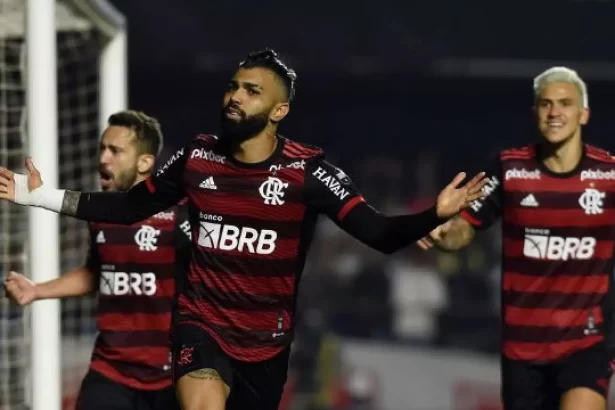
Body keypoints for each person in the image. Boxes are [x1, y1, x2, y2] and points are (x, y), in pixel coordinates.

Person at [0, 49, 487, 410]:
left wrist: (435, 215)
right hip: (201, 325)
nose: (235, 96)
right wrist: (38, 196)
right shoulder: (197, 156)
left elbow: (379, 234)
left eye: (252, 91)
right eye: (233, 86)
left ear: (279, 112)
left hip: (266, 344)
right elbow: (129, 207)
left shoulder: (309, 173)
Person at [417, 66, 615, 410]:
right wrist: (445, 232)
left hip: (586, 341)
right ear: (535, 112)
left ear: (583, 114)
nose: (555, 113)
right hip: (523, 349)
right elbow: (464, 227)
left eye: (565, 103)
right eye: (546, 104)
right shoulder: (509, 169)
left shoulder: (609, 174)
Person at [3, 110, 189, 410]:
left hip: (171, 376)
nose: (103, 158)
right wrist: (38, 291)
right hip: (111, 370)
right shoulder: (98, 216)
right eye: (102, 148)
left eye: (116, 151)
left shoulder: (180, 215)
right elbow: (97, 272)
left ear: (145, 162)